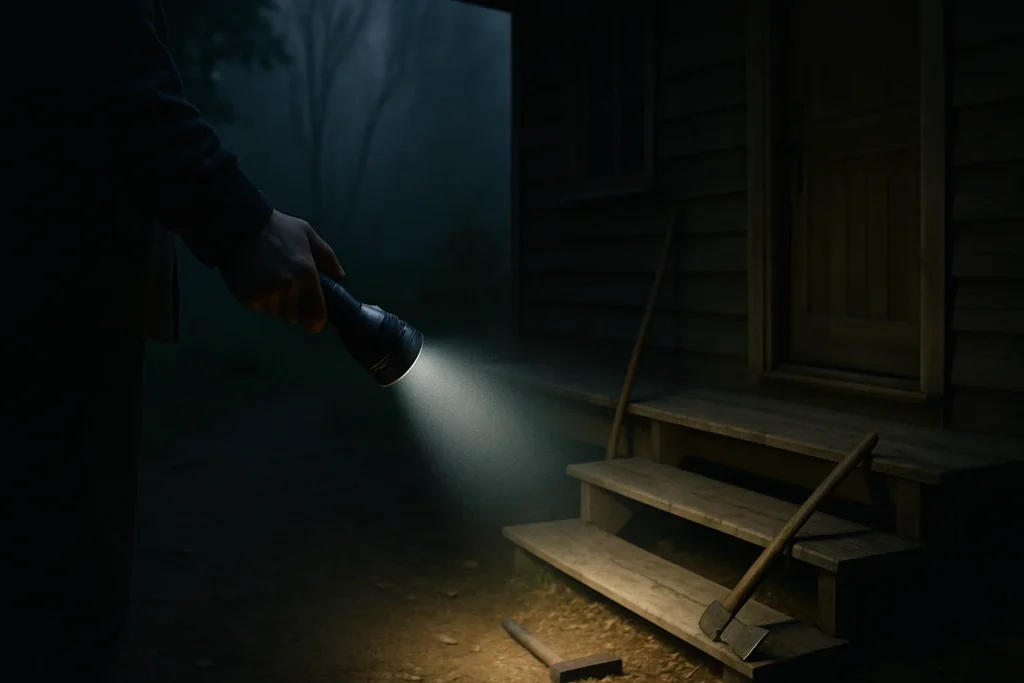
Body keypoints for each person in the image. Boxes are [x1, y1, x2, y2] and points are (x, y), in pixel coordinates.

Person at [2, 1, 344, 679]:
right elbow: (95, 45)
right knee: (54, 612)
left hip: (58, 288)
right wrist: (239, 221)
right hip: (50, 298)